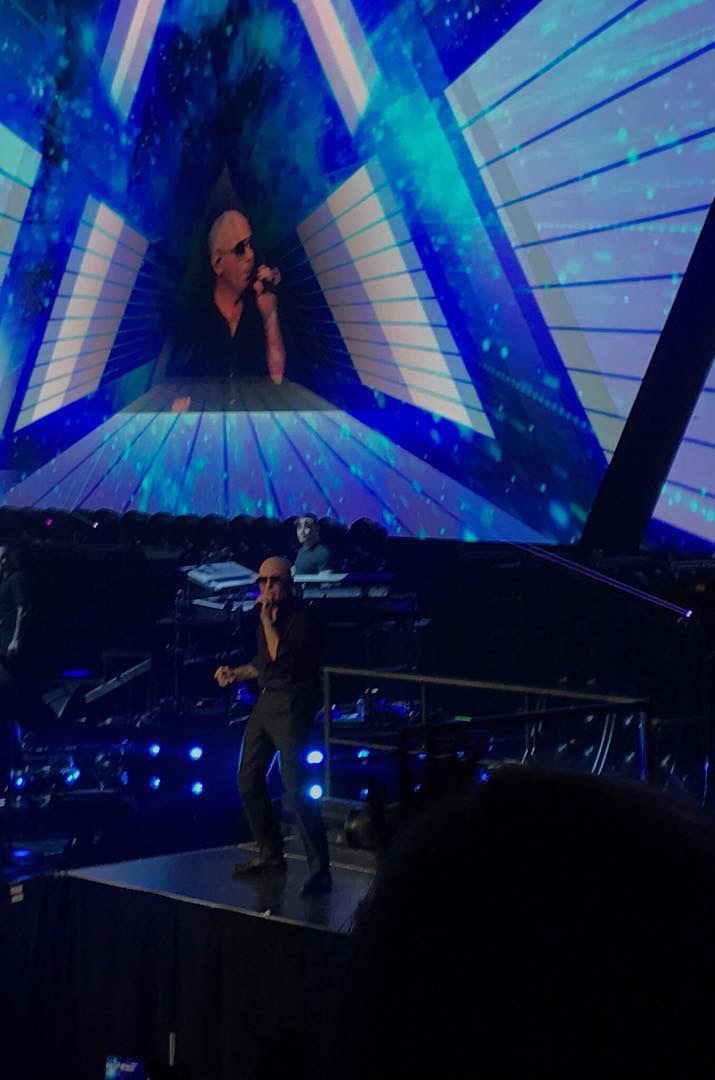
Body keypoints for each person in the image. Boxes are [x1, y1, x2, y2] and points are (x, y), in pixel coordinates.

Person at [214, 556, 331, 895]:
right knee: (248, 779)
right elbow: (263, 663)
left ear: (289, 582)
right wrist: (236, 673)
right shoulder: (267, 618)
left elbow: (284, 659)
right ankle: (270, 853)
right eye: (262, 581)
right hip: (267, 702)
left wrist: (266, 620)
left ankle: (320, 870)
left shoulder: (304, 617)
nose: (266, 588)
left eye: (274, 581)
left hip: (294, 703)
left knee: (295, 787)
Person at [206, 209, 286, 383]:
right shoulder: (196, 320)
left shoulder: (261, 301)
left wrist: (270, 318)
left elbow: (278, 380)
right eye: (240, 249)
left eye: (250, 244)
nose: (250, 255)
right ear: (218, 263)